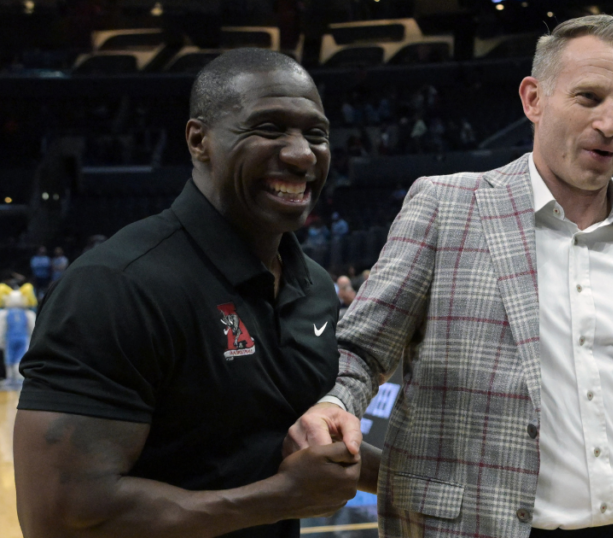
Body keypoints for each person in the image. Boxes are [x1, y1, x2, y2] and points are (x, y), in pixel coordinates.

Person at [286, 15, 613, 538]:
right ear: (533, 99)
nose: (610, 123)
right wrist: (335, 403)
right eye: (588, 98)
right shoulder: (447, 207)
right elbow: (360, 350)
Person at [14, 49, 373, 538]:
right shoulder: (115, 286)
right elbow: (63, 517)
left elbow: (277, 439)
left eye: (316, 134)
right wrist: (278, 499)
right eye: (268, 129)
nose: (302, 153)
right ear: (199, 140)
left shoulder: (313, 288)